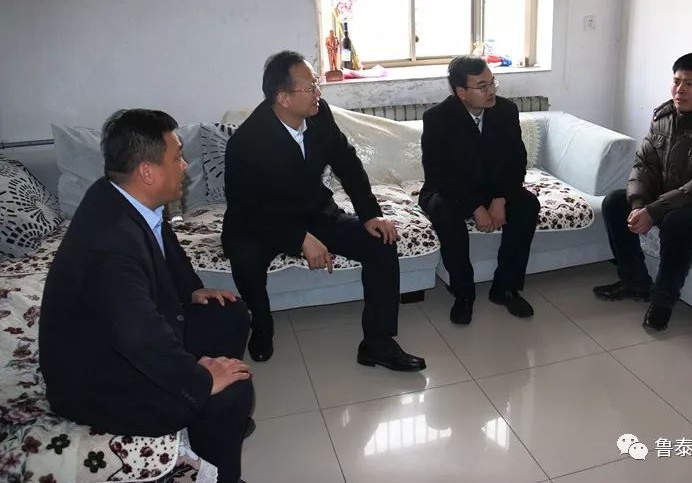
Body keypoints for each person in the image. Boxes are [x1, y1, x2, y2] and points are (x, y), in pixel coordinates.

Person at [39, 109, 255, 483]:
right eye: (178, 157)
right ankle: (219, 467)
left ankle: (210, 426)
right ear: (147, 172)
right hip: (102, 382)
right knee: (232, 391)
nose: (185, 167)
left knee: (229, 312)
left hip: (119, 342)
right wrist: (201, 380)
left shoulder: (119, 195)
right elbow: (138, 337)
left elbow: (162, 238)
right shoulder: (110, 244)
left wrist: (192, 290)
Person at [221, 50, 426, 372]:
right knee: (244, 256)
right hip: (260, 221)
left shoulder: (319, 115)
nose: (319, 92)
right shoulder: (247, 142)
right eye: (311, 87)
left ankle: (378, 342)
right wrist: (299, 239)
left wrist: (370, 214)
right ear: (283, 98)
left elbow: (347, 162)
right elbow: (248, 208)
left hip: (313, 210)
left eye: (317, 84)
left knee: (381, 243)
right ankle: (261, 325)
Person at [593, 52, 692, 332]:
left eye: (689, 84)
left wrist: (654, 211)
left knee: (679, 222)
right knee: (616, 201)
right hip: (672, 195)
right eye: (676, 81)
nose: (679, 90)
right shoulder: (664, 116)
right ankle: (634, 281)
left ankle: (662, 301)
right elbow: (644, 165)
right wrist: (639, 205)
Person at [418, 56, 540, 325]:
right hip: (451, 190)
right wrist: (476, 207)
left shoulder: (506, 111)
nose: (491, 91)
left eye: (492, 83)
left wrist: (500, 199)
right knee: (444, 210)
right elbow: (439, 173)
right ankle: (464, 294)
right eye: (482, 86)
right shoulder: (437, 118)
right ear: (461, 92)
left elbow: (516, 161)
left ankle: (505, 288)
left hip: (493, 188)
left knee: (527, 204)